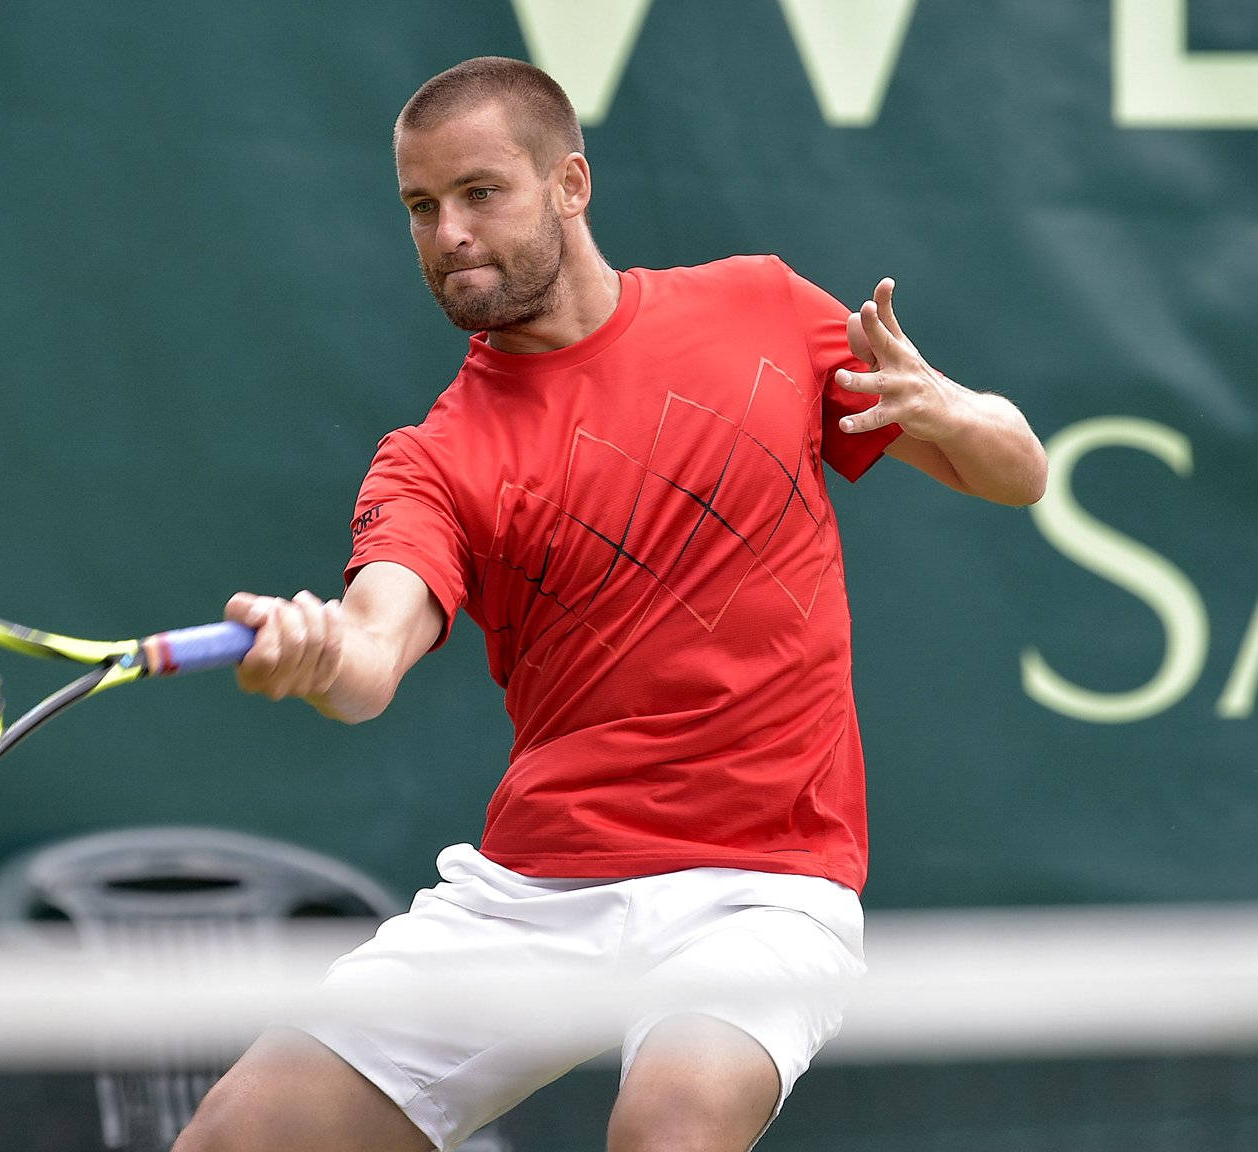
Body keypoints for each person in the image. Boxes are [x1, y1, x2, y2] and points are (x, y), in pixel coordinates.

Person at [173, 56, 1048, 1152]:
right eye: (419, 206)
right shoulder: (429, 461)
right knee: (237, 1137)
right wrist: (316, 651)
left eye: (479, 192)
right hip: (528, 896)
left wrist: (953, 410)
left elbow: (1016, 471)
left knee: (670, 1130)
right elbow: (368, 657)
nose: (447, 233)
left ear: (569, 185)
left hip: (760, 891)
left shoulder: (762, 310)